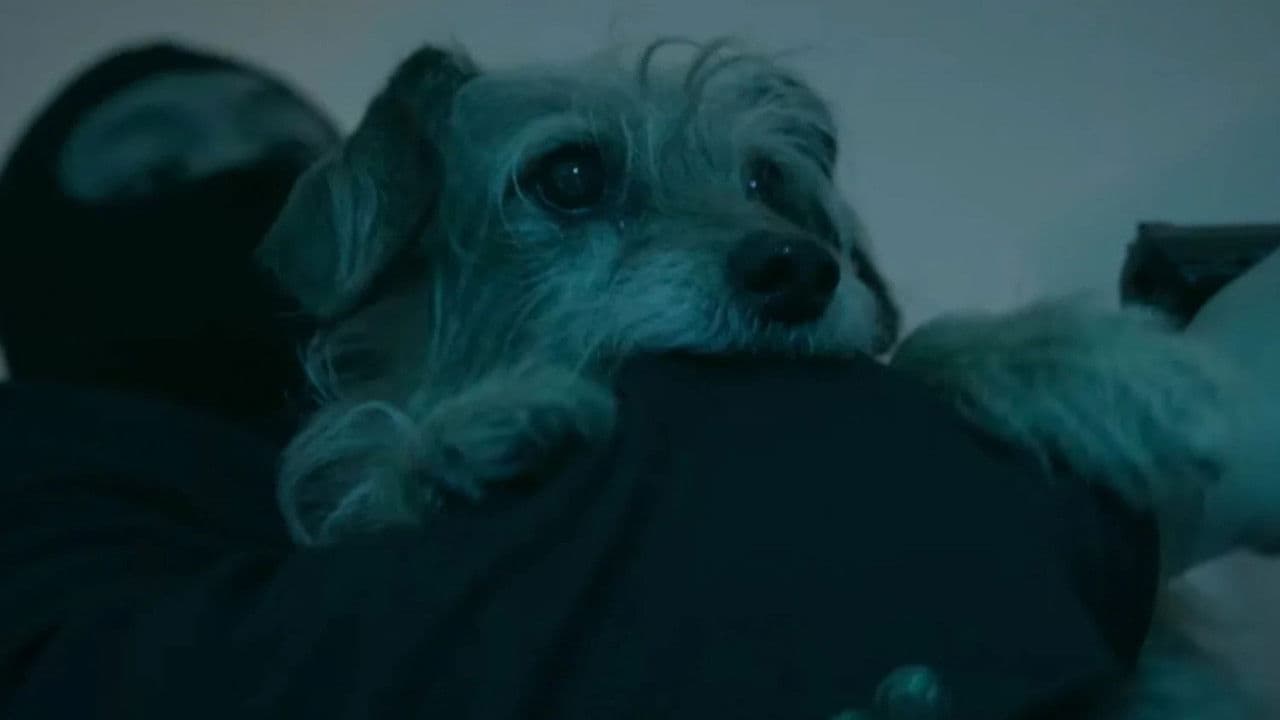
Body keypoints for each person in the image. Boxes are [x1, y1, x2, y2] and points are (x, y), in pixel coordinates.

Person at [0, 44, 1163, 720]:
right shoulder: (38, 467)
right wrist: (1128, 499)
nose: (763, 243)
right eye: (153, 163)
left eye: (765, 189)